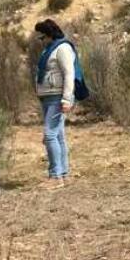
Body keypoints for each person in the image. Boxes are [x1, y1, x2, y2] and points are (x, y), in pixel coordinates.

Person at [34, 19, 80, 188]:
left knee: (50, 135)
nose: (41, 42)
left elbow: (69, 74)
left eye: (42, 38)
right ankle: (64, 174)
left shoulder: (62, 49)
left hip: (56, 97)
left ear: (49, 36)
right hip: (47, 97)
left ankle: (55, 176)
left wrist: (67, 99)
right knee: (58, 136)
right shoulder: (49, 50)